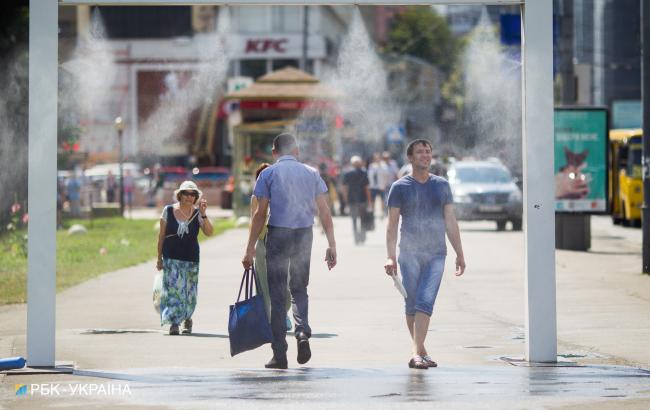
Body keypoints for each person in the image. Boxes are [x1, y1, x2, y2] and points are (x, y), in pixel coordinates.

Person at [242, 133, 337, 369]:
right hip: (304, 234)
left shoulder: (268, 173)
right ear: (296, 150)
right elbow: (324, 210)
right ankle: (302, 331)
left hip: (277, 235)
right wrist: (332, 244)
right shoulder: (311, 173)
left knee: (276, 296)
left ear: (274, 153)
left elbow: (260, 214)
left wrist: (250, 248)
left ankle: (280, 355)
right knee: (299, 289)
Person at [384, 139, 466, 370]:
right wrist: (390, 256)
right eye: (419, 152)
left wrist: (459, 253)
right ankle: (421, 351)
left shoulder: (441, 185)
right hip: (409, 253)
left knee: (425, 301)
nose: (425, 155)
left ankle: (415, 353)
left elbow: (450, 220)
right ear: (410, 158)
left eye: (428, 151)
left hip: (436, 253)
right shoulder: (400, 187)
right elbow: (391, 225)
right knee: (412, 303)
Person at [156, 180, 213, 335]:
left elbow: (209, 232)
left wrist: (203, 214)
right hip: (171, 257)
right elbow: (161, 236)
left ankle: (188, 319)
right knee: (173, 290)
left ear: (196, 197)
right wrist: (159, 258)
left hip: (191, 258)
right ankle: (174, 322)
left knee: (189, 292)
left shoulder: (197, 214)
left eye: (193, 194)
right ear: (180, 195)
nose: (189, 197)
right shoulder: (167, 211)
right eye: (186, 193)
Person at [250, 163, 292, 331]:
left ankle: (282, 313)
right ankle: (271, 319)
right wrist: (250, 246)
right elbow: (254, 221)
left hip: (283, 241)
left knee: (287, 284)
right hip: (263, 241)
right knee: (265, 284)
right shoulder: (255, 198)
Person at [342, 156, 372, 245]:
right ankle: (362, 238)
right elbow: (367, 188)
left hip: (352, 200)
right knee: (363, 219)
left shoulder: (347, 174)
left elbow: (344, 188)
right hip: (362, 199)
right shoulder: (364, 173)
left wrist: (345, 200)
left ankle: (356, 239)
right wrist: (370, 201)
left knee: (354, 220)